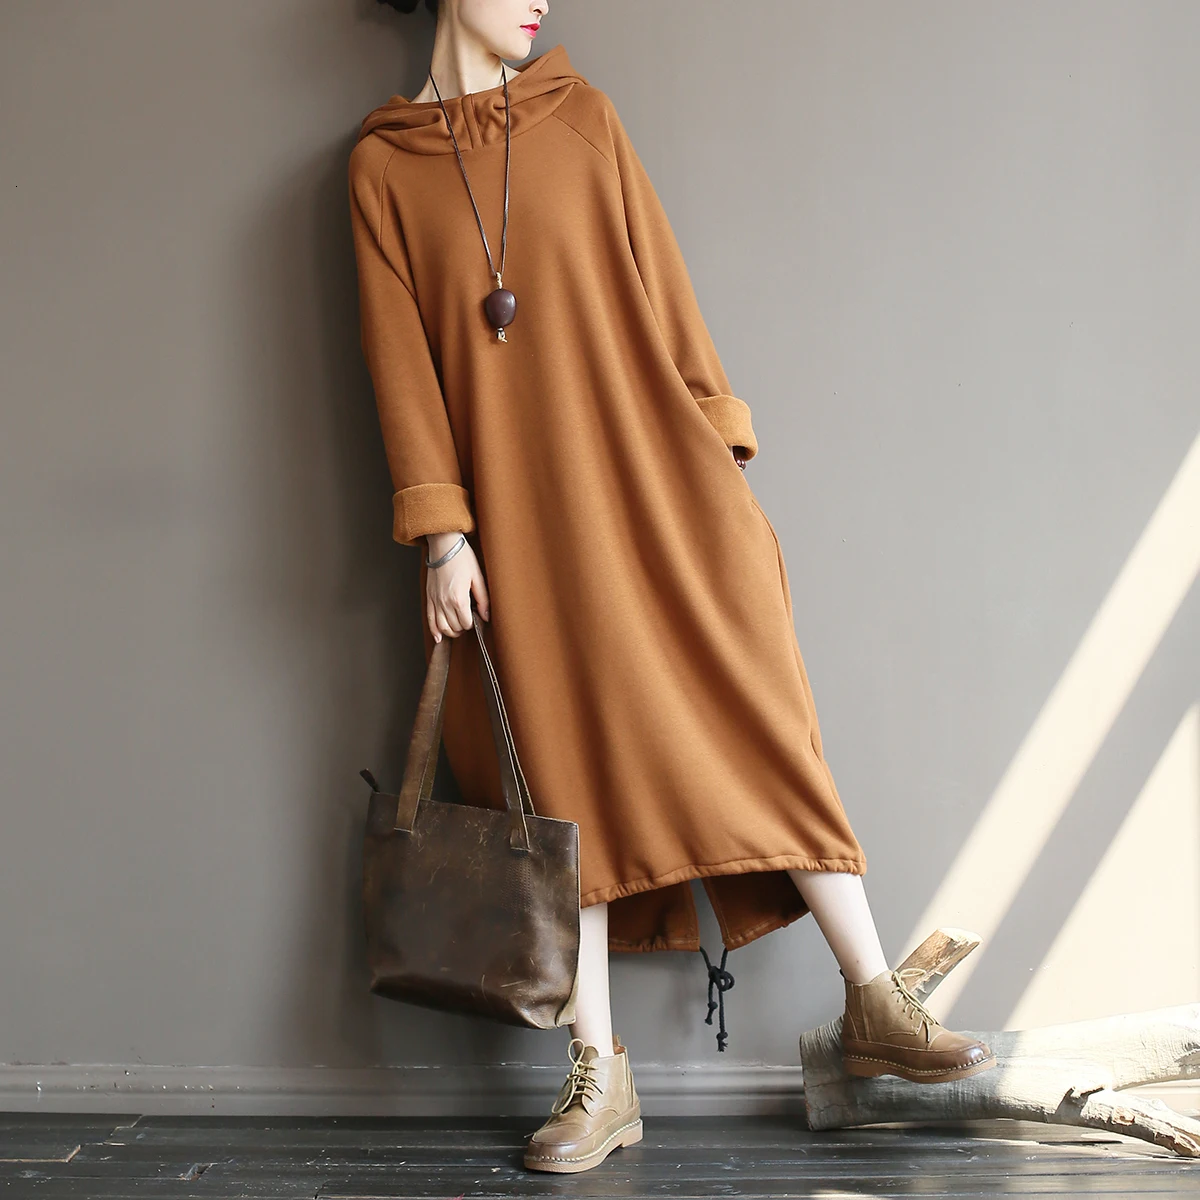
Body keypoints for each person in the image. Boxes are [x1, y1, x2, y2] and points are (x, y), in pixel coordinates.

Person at [351, 0, 996, 1175]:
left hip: (656, 482)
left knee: (753, 716)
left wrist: (718, 454)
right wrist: (443, 536)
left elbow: (665, 292)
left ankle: (873, 996)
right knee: (561, 774)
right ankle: (600, 1075)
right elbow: (402, 366)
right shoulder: (382, 168)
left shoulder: (583, 118)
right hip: (520, 520)